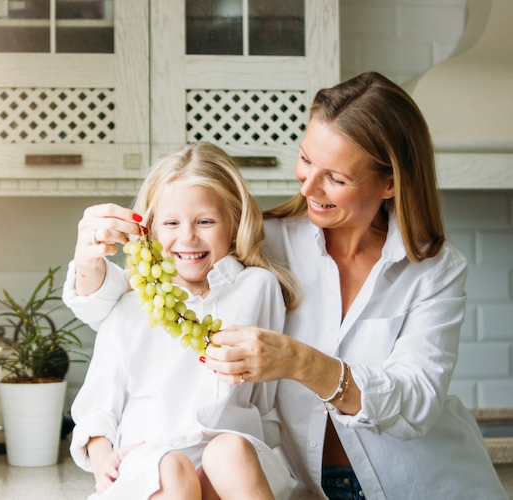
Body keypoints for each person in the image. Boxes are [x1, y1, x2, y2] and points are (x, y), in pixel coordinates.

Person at [64, 72, 508, 500]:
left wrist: (301, 362)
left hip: (425, 485)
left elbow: (417, 401)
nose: (308, 186)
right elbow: (141, 299)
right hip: (315, 489)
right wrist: (91, 258)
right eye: (307, 159)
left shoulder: (435, 269)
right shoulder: (265, 243)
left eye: (335, 177)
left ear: (389, 183)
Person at [68, 143, 297, 500]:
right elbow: (99, 405)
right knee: (171, 468)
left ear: (233, 222)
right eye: (172, 222)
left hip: (234, 464)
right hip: (152, 461)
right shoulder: (131, 307)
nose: (188, 236)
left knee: (229, 450)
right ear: (150, 230)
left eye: (205, 221)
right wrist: (103, 459)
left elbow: (265, 395)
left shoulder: (257, 289)